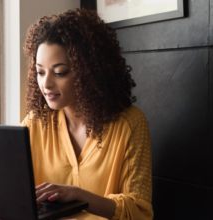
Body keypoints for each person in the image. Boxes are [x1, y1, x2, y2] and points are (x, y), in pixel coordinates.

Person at [20, 8, 153, 220]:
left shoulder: (130, 123)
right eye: (40, 72)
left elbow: (139, 212)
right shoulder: (36, 123)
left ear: (89, 71)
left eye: (60, 72)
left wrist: (80, 196)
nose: (46, 84)